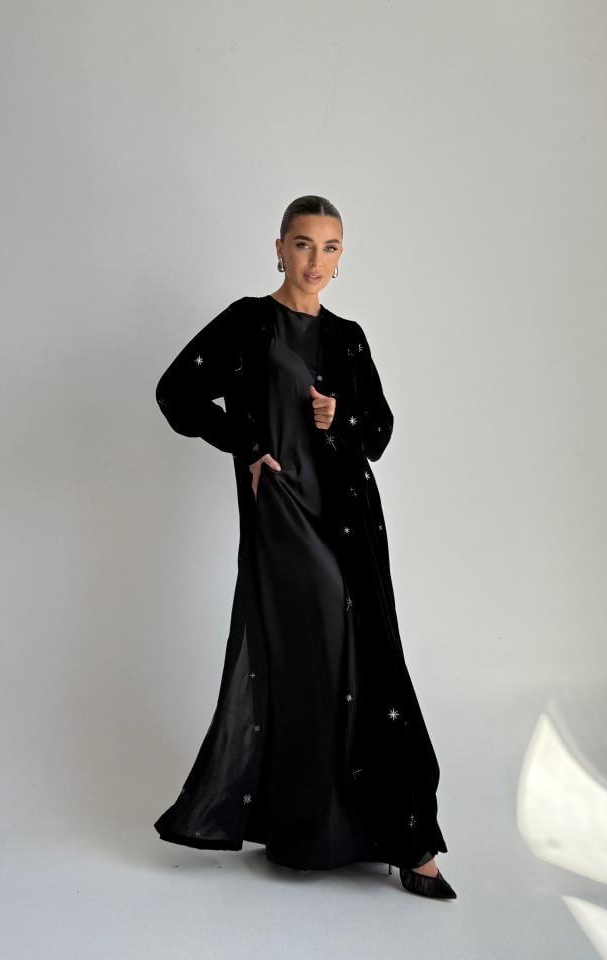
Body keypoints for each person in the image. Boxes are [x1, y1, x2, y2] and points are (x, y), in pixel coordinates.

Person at [153, 195, 456, 900]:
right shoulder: (246, 321)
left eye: (330, 247)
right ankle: (310, 828)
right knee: (316, 650)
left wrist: (339, 416)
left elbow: (378, 433)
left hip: (348, 517)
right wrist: (246, 444)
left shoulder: (348, 337)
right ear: (279, 248)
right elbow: (177, 393)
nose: (315, 260)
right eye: (302, 244)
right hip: (283, 514)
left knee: (360, 661)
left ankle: (386, 834)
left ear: (341, 257)